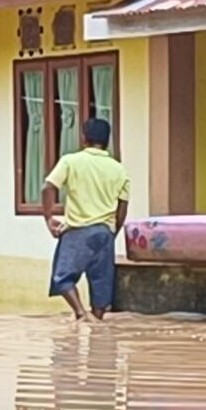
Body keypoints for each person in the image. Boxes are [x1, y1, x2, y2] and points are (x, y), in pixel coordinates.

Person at [40, 118, 129, 321]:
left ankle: (80, 313)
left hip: (77, 231)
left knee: (62, 277)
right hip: (105, 233)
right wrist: (112, 232)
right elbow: (122, 207)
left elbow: (48, 187)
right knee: (102, 285)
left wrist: (48, 217)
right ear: (107, 142)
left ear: (83, 138)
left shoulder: (70, 161)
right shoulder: (119, 170)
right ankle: (97, 324)